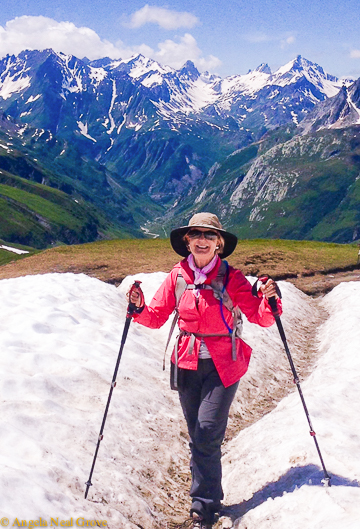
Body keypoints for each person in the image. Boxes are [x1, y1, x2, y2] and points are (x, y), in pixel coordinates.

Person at [127, 212, 281, 529]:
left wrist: (270, 301)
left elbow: (260, 317)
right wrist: (138, 307)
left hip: (224, 365)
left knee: (207, 431)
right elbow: (155, 317)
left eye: (209, 236)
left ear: (219, 244)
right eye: (195, 234)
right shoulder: (177, 276)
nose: (201, 240)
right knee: (198, 434)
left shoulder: (232, 278)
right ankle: (205, 496)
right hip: (186, 363)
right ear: (187, 241)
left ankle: (204, 507)